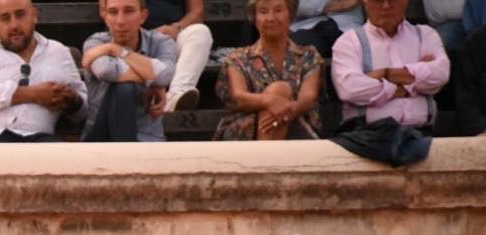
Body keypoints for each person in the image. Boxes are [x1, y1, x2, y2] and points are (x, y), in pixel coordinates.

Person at [0, 0, 85, 143]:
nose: (14, 25)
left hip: (36, 140)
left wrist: (73, 102)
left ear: (34, 15)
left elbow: (83, 112)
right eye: (5, 18)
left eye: (20, 15)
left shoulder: (59, 53)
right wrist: (34, 94)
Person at [331, 0, 448, 131]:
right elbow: (350, 90)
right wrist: (412, 82)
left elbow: (441, 74)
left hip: (421, 133)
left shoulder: (425, 34)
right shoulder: (349, 42)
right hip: (367, 137)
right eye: (378, 0)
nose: (386, 6)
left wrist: (385, 73)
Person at [215, 0, 324, 139]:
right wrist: (268, 101)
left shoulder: (309, 55)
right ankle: (270, 158)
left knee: (280, 90)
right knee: (279, 90)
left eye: (278, 11)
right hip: (245, 134)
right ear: (255, 18)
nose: (271, 18)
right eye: (263, 12)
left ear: (290, 15)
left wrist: (284, 112)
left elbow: (308, 98)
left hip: (296, 124)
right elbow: (240, 97)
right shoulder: (237, 58)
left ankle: (268, 158)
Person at [81, 0, 177, 142]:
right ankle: (125, 153)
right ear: (104, 15)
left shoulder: (161, 42)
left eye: (129, 11)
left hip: (148, 138)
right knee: (124, 87)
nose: (120, 21)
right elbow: (106, 71)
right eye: (113, 12)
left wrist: (118, 50)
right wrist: (152, 81)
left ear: (143, 16)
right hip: (101, 137)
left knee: (125, 85)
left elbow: (165, 75)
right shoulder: (96, 42)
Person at [144, 0, 213, 111]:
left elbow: (197, 11)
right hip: (137, 41)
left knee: (200, 31)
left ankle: (177, 94)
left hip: (173, 36)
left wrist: (176, 27)